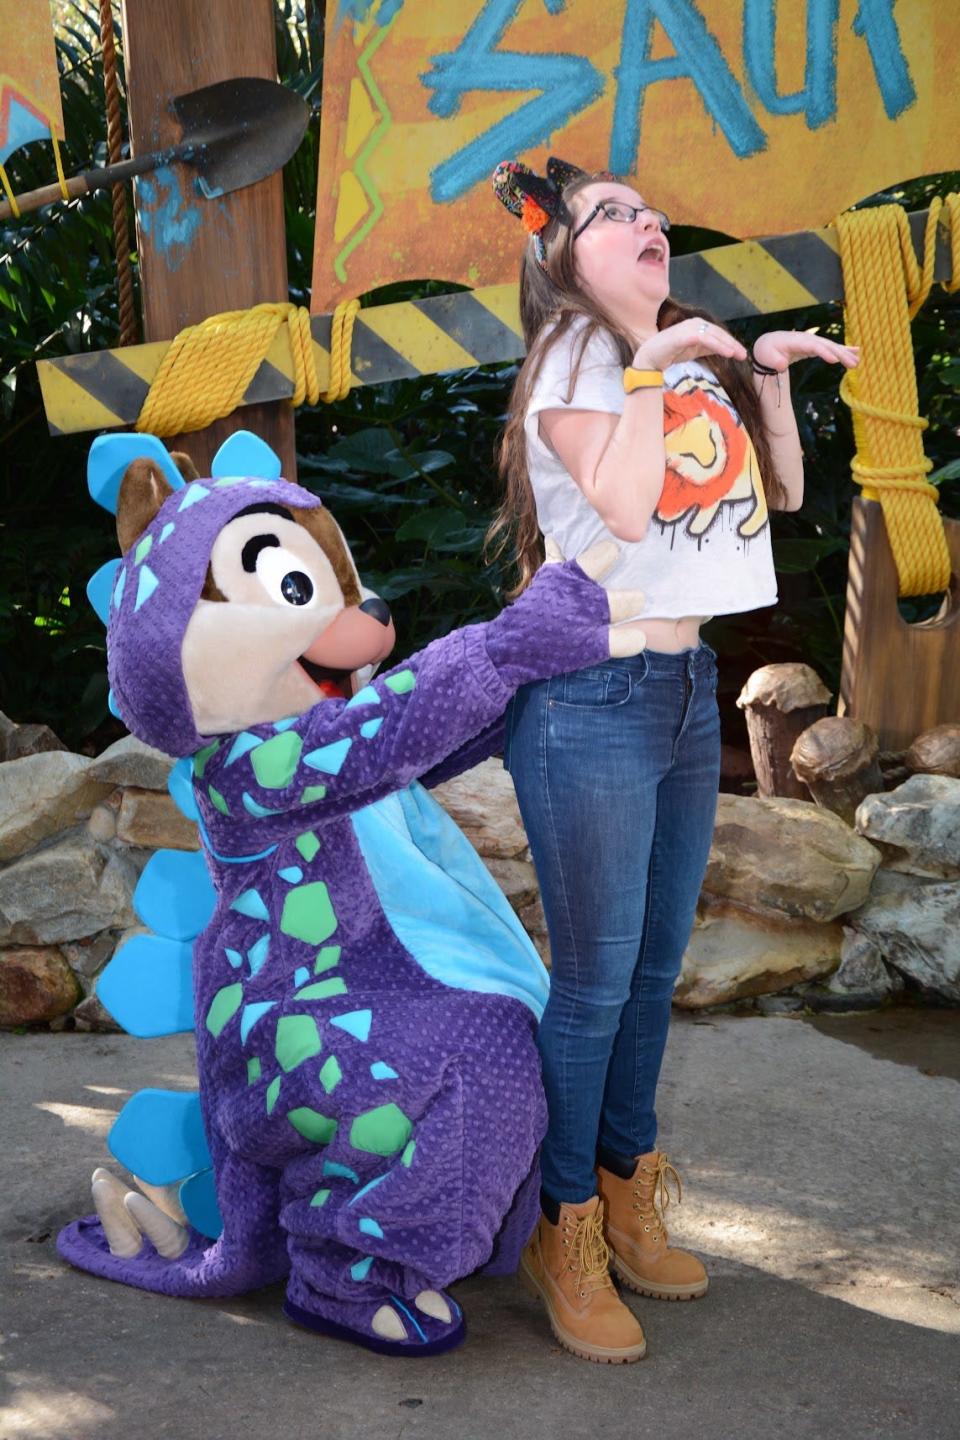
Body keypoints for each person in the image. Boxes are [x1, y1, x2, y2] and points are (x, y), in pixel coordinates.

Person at [489, 157, 859, 1365]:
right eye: (612, 213)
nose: (647, 221)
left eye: (650, 211)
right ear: (562, 254)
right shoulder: (572, 363)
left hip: (682, 688)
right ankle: (566, 1226)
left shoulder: (685, 361)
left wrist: (762, 376)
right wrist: (655, 369)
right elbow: (632, 508)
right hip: (591, 692)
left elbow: (783, 496)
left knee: (653, 972)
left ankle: (627, 1181)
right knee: (595, 981)